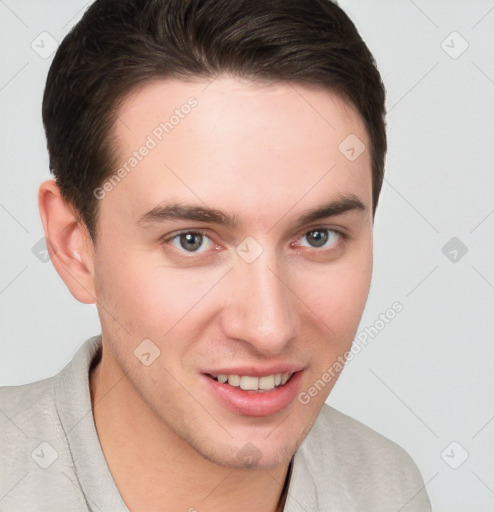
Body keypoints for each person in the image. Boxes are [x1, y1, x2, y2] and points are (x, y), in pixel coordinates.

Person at [0, 0, 432, 510]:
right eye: (192, 240)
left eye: (318, 236)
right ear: (75, 247)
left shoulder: (386, 488)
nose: (269, 327)